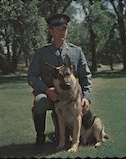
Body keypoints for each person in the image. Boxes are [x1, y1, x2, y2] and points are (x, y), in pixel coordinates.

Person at [27, 13, 92, 147]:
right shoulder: (41, 53)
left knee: (61, 140)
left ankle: (60, 126)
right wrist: (46, 89)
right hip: (49, 95)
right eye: (57, 29)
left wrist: (86, 97)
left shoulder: (76, 51)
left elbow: (86, 76)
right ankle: (40, 136)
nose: (61, 32)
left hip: (69, 98)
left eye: (64, 29)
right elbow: (31, 76)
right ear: (51, 31)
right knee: (39, 102)